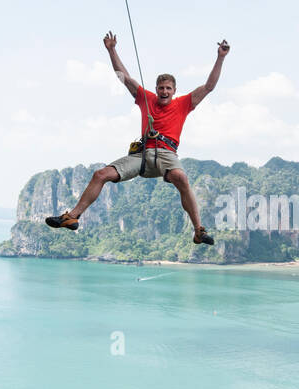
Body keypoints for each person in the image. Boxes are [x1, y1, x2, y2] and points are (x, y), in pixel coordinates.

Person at [46, 32, 229, 244]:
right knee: (100, 174)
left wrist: (220, 57)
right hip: (142, 155)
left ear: (174, 90)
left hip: (167, 153)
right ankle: (72, 217)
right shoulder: (146, 98)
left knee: (181, 178)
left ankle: (198, 230)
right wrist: (111, 50)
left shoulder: (184, 103)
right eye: (161, 88)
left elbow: (209, 87)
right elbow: (123, 77)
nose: (164, 91)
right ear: (156, 89)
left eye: (168, 88)